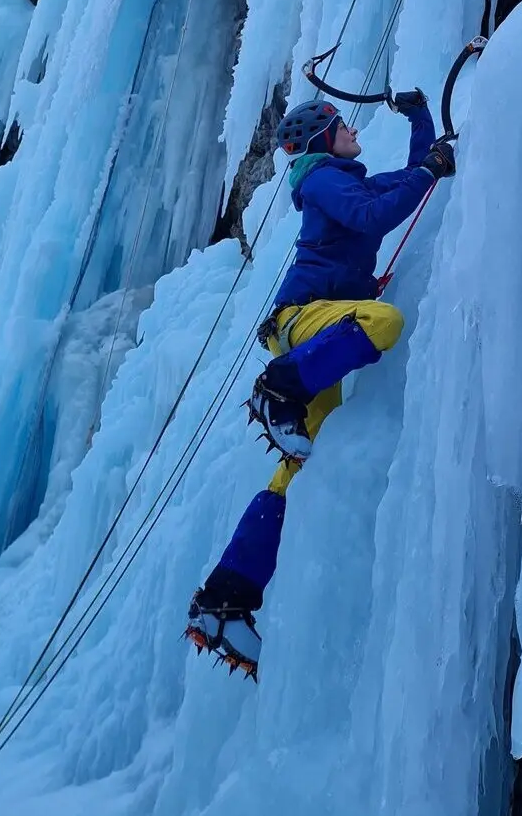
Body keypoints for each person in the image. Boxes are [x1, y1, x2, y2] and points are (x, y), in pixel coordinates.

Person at [185, 91, 455, 677]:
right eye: (339, 124)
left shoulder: (345, 180)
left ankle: (227, 597)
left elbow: (405, 184)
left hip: (314, 335)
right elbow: (375, 215)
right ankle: (277, 387)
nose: (350, 127)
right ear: (319, 140)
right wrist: (430, 168)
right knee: (382, 322)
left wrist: (420, 121)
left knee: (299, 467)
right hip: (303, 323)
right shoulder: (324, 178)